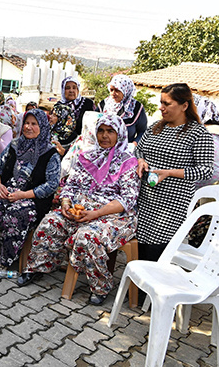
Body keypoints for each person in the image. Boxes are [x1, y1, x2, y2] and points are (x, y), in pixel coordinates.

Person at [20, 113, 140, 305]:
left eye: (110, 131)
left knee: (87, 237)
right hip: (81, 209)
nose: (104, 135)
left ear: (120, 134)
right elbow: (70, 185)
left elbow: (127, 200)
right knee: (50, 222)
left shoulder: (128, 162)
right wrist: (66, 203)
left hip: (114, 215)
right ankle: (39, 267)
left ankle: (101, 286)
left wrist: (96, 214)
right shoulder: (87, 156)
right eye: (100, 130)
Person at [0, 109, 60, 273]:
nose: (28, 127)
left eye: (34, 124)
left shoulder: (50, 153)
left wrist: (23, 195)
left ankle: (5, 259)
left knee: (16, 214)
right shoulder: (15, 145)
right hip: (7, 191)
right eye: (26, 123)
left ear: (42, 126)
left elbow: (51, 185)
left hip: (31, 197)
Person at [135, 83, 214, 262]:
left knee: (157, 251)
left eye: (167, 103)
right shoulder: (156, 127)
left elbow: (206, 170)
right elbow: (139, 150)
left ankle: (149, 288)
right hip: (146, 200)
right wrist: (140, 160)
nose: (161, 107)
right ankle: (135, 287)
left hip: (171, 206)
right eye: (161, 102)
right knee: (140, 247)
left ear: (184, 106)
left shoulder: (198, 134)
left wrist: (170, 173)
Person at [97, 74, 148, 145]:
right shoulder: (103, 105)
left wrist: (134, 144)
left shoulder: (136, 108)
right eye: (111, 90)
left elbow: (143, 132)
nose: (113, 93)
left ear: (126, 90)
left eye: (117, 90)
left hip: (126, 150)